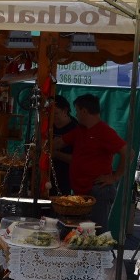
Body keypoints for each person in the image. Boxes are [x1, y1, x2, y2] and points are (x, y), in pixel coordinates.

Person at [54, 94, 128, 232]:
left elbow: (128, 152)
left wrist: (114, 177)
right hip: (81, 192)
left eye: (76, 110)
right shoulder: (80, 130)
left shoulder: (104, 131)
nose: (75, 114)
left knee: (97, 233)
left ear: (84, 111)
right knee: (82, 232)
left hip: (98, 191)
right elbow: (59, 143)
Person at [50, 94, 78, 195]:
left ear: (65, 111)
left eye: (55, 113)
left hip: (65, 180)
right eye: (49, 113)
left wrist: (56, 154)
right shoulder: (47, 125)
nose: (52, 116)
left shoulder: (75, 129)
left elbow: (77, 159)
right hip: (45, 177)